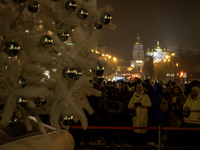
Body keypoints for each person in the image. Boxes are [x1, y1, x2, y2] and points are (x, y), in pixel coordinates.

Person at [128, 84, 151, 148]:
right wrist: (134, 105)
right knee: (136, 130)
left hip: (143, 116)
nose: (138, 88)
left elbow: (149, 104)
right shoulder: (133, 96)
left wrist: (142, 104)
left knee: (143, 130)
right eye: (137, 87)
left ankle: (142, 143)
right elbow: (129, 106)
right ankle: (136, 142)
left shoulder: (146, 96)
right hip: (136, 116)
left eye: (140, 87)